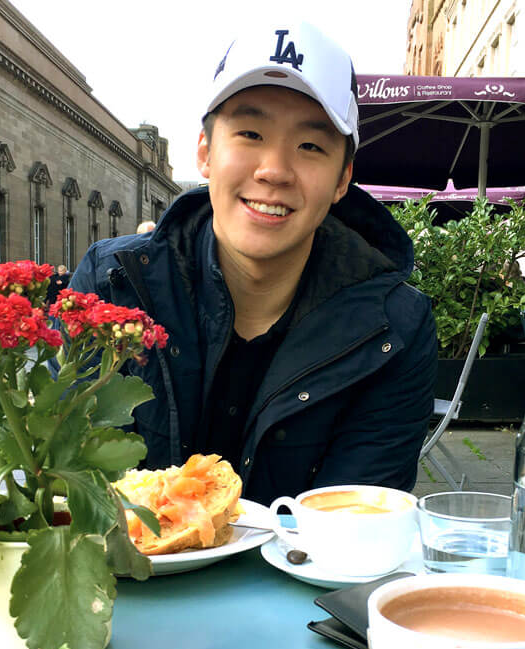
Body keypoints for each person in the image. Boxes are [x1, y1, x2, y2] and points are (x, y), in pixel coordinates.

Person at [68, 20, 436, 504]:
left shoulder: (396, 329)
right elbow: (69, 483)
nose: (274, 171)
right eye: (249, 133)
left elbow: (353, 525)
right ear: (205, 152)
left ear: (342, 179)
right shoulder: (113, 283)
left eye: (310, 146)